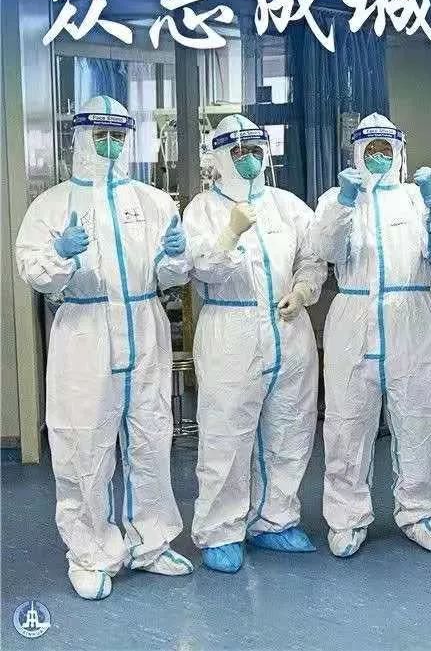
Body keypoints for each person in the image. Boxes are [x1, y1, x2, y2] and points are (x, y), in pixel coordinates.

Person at [15, 95, 193, 599]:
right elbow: (33, 270)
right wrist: (59, 254)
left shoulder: (153, 201)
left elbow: (171, 274)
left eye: (119, 136)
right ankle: (90, 553)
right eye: (102, 136)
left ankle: (150, 543)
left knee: (151, 437)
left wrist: (175, 257)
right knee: (83, 443)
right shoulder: (52, 204)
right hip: (84, 329)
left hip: (145, 325)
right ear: (81, 138)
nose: (111, 145)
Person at [309, 114, 431, 557]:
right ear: (357, 152)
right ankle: (346, 519)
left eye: (385, 148)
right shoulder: (337, 199)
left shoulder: (417, 199)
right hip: (353, 316)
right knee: (347, 423)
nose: (378, 155)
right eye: (370, 148)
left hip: (412, 317)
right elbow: (325, 249)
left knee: (417, 419)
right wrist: (344, 202)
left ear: (398, 151)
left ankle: (419, 513)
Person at [185, 114, 326, 573]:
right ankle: (221, 530)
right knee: (226, 433)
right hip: (231, 329)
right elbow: (200, 268)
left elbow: (312, 257)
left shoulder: (288, 206)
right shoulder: (203, 209)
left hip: (289, 328)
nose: (248, 159)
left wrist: (302, 291)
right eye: (238, 151)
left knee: (290, 428)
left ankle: (275, 519)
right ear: (221, 157)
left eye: (254, 150)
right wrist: (230, 232)